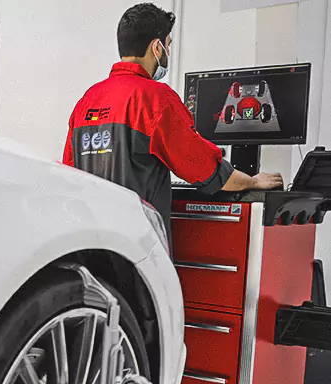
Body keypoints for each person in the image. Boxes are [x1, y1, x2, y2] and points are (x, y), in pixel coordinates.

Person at [63, 2, 283, 248]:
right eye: (167, 45)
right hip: (140, 249)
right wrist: (253, 182)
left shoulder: (87, 101)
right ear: (156, 47)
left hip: (88, 246)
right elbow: (204, 168)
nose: (167, 51)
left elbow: (70, 177)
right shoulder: (155, 99)